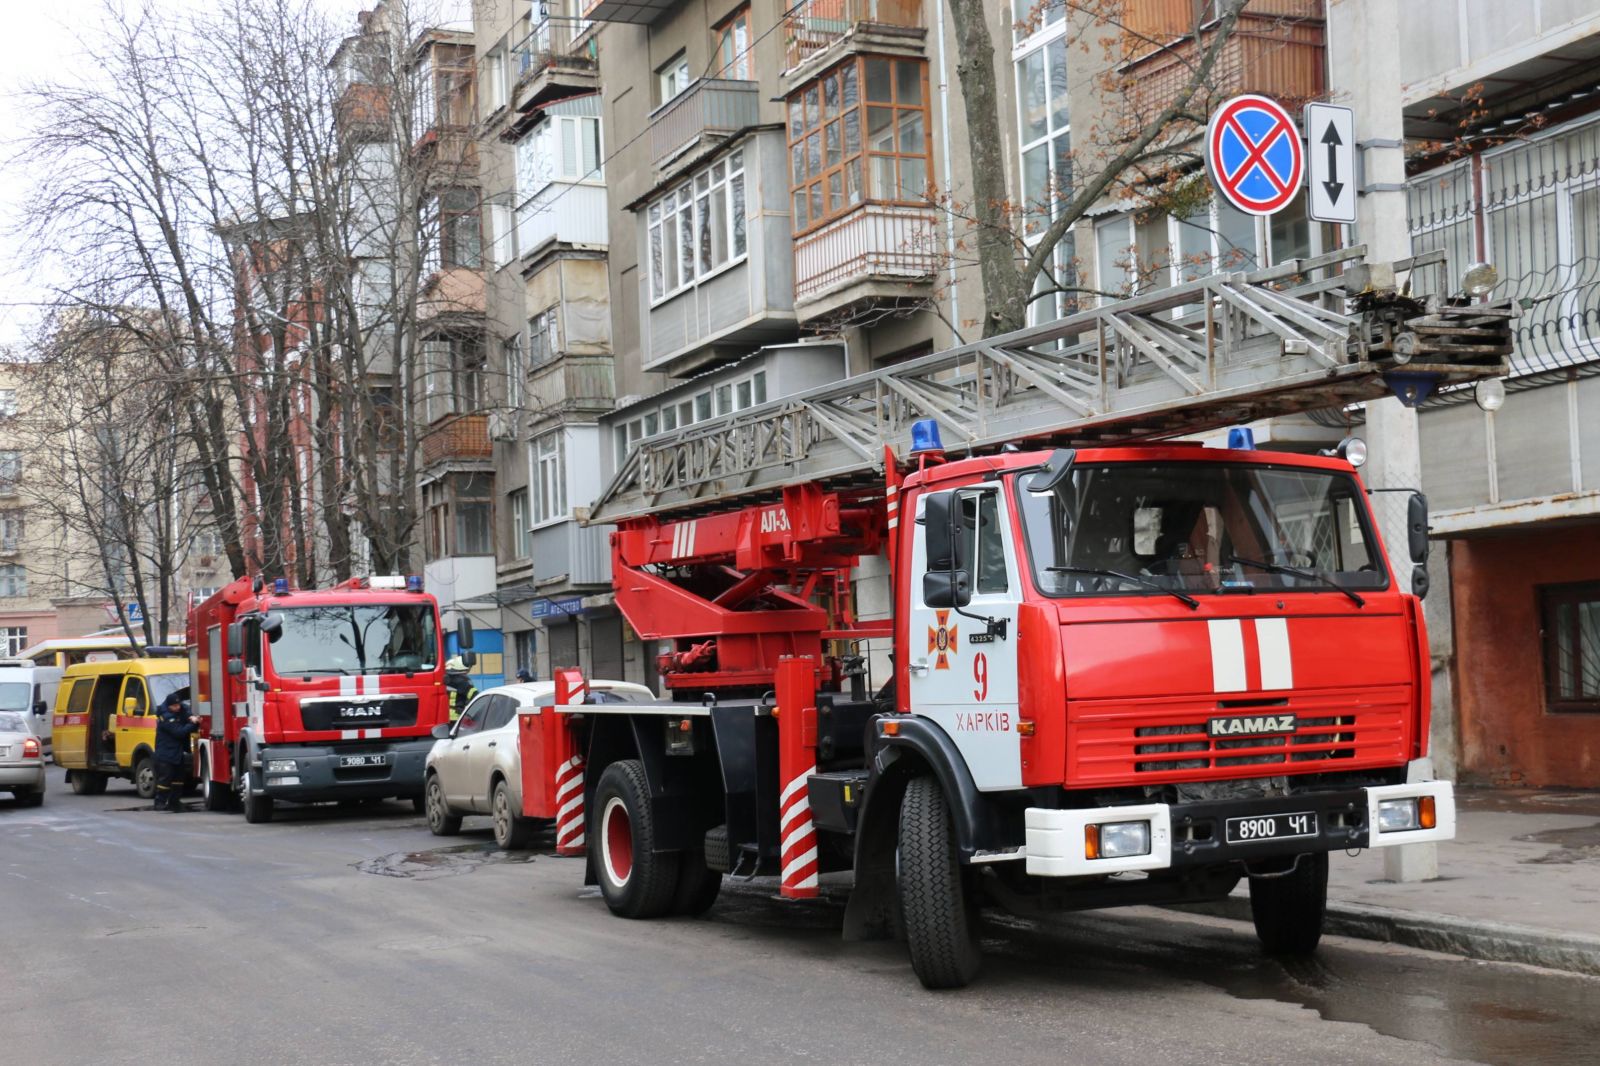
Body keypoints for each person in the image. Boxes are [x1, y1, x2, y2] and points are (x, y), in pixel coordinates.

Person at [153, 693, 198, 812]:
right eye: (175, 706)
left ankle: (174, 802)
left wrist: (190, 717)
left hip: (177, 752)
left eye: (178, 705)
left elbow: (185, 709)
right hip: (165, 753)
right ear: (169, 706)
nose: (177, 707)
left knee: (178, 779)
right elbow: (179, 732)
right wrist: (193, 723)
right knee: (165, 779)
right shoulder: (165, 717)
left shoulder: (179, 709)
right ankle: (159, 802)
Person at [444, 656, 476, 721]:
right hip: (456, 718)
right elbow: (475, 696)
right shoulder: (462, 682)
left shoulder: (444, 680)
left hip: (444, 717)